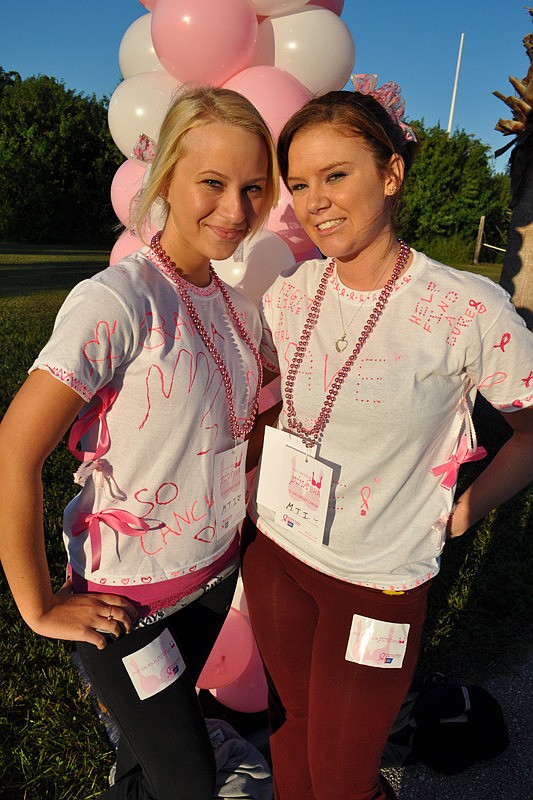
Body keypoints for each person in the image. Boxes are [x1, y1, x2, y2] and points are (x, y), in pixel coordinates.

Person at [241, 78, 533, 800]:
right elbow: (265, 402)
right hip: (276, 556)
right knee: (290, 737)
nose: (315, 202)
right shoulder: (290, 294)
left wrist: (459, 514)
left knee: (343, 779)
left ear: (391, 172)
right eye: (299, 183)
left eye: (336, 175)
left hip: (378, 584)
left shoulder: (464, 307)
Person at [0, 85, 278, 800]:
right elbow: (14, 444)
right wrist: (37, 606)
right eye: (211, 183)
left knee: (153, 761)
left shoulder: (241, 310)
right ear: (166, 179)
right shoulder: (118, 300)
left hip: (214, 577)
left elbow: (227, 432)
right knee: (187, 780)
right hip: (129, 604)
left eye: (253, 187)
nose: (235, 210)